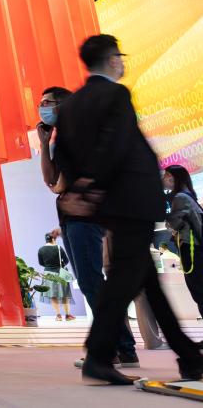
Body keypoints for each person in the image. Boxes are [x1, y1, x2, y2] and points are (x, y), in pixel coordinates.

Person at [54, 34, 203, 385]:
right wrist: (92, 180)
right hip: (132, 199)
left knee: (147, 280)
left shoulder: (72, 105)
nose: (122, 63)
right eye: (119, 57)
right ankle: (99, 354)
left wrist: (80, 188)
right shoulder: (116, 94)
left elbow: (63, 154)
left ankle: (188, 356)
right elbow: (117, 142)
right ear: (112, 60)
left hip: (109, 204)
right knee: (124, 277)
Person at [38, 85, 141, 366]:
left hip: (84, 215)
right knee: (90, 283)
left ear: (63, 105)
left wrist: (70, 188)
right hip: (69, 216)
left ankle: (115, 348)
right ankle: (123, 347)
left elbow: (64, 183)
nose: (42, 108)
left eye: (47, 102)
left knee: (92, 282)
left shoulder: (82, 135)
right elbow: (50, 180)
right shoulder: (61, 139)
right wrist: (44, 145)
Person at [163, 165, 203, 319]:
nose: (163, 179)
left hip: (191, 249)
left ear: (172, 177)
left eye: (165, 175)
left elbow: (173, 224)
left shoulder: (180, 197)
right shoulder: (189, 196)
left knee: (198, 291)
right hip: (195, 248)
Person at [37, 232, 75, 321]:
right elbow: (66, 260)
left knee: (52, 295)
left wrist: (49, 266)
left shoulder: (41, 250)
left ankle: (58, 316)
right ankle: (68, 315)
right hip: (60, 273)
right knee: (65, 295)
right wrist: (60, 264)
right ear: (53, 239)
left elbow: (41, 263)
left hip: (48, 274)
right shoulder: (58, 248)